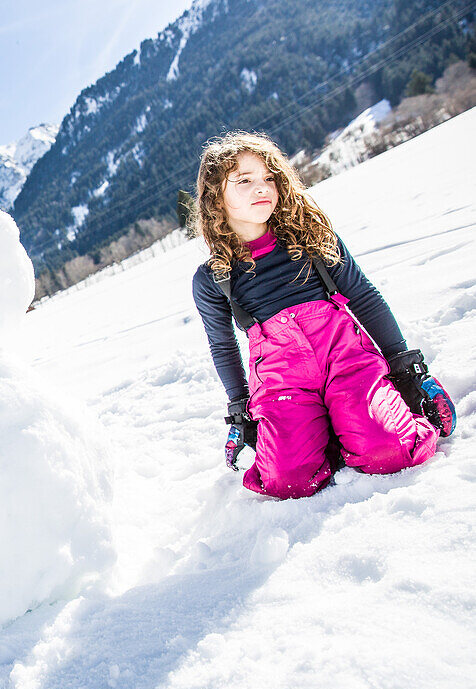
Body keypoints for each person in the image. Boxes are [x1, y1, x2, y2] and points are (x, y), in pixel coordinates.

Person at [190, 132, 455, 499]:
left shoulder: (311, 237)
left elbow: (364, 296)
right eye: (245, 181)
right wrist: (239, 410)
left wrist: (407, 367)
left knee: (389, 452)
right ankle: (330, 430)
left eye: (269, 177)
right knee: (287, 482)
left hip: (346, 361)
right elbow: (222, 346)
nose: (262, 188)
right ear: (216, 195)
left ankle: (370, 417)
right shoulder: (213, 277)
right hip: (282, 383)